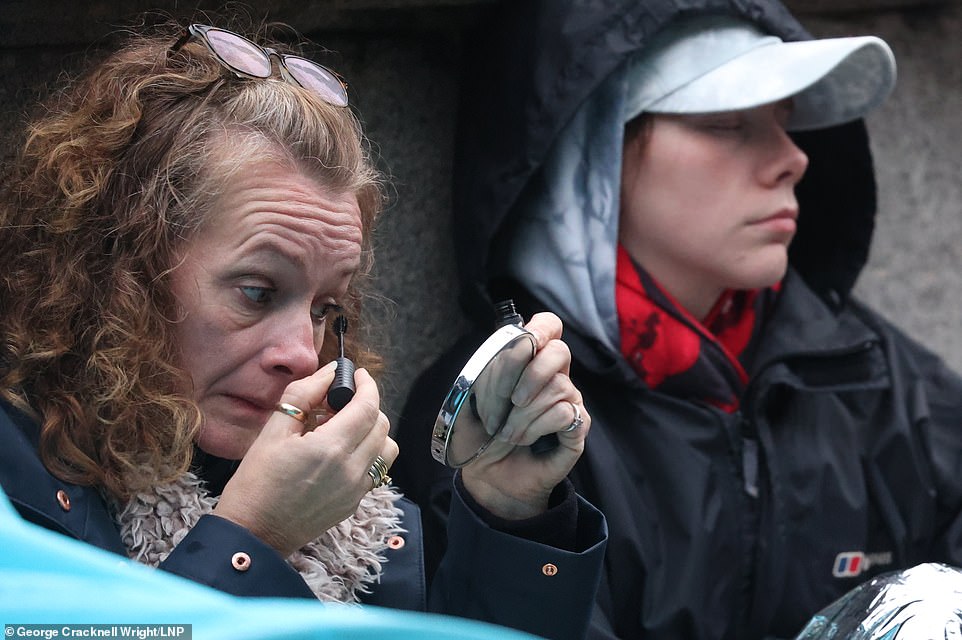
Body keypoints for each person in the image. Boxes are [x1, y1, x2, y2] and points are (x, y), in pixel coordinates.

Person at [0, 16, 607, 640]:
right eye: (257, 292)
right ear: (120, 267)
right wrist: (249, 539)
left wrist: (510, 516)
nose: (301, 353)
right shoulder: (15, 481)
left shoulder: (355, 516)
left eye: (324, 310)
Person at [391, 1, 962, 638]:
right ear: (595, 150)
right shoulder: (501, 418)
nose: (793, 157)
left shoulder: (881, 379)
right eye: (727, 122)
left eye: (786, 119)